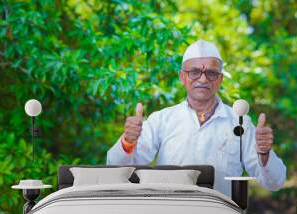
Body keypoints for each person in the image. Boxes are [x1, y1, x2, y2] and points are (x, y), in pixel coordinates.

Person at [106, 39, 286, 197]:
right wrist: (128, 142)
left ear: (220, 79)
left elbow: (275, 182)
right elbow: (116, 169)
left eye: (211, 73)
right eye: (194, 72)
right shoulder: (161, 120)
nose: (203, 79)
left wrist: (264, 154)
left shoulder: (241, 123)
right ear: (182, 77)